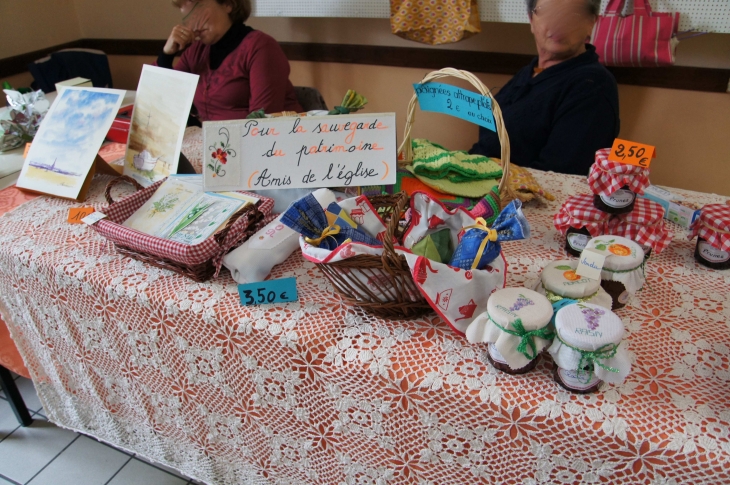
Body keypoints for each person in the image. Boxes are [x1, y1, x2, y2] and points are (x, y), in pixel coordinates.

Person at [470, 0, 619, 176]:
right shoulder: (531, 71)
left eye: (571, 15)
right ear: (531, 20)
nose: (558, 24)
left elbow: (557, 175)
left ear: (591, 23)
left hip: (515, 197)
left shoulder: (592, 85)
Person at [157, 0, 302, 123]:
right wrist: (166, 55)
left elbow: (261, 122)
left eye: (198, 11)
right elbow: (160, 101)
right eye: (187, 17)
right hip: (215, 146)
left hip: (267, 146)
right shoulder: (197, 51)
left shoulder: (261, 47)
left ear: (228, 4)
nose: (193, 25)